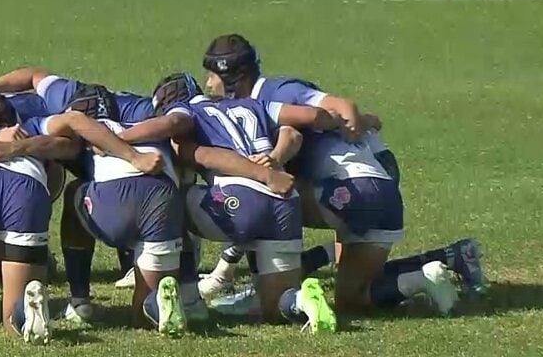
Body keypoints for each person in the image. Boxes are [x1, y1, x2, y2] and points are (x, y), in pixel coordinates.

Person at [198, 34, 469, 314]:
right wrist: (359, 122)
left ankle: (263, 292)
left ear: (231, 75)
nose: (207, 83)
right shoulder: (257, 103)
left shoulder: (274, 92)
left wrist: (275, 159)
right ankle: (421, 278)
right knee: (352, 299)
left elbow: (324, 116)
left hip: (350, 190)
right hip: (383, 194)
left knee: (264, 203)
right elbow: (359, 121)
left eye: (211, 75)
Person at [123, 73, 339, 333]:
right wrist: (276, 157)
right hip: (285, 201)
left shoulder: (186, 110)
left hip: (242, 197)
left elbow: (176, 126)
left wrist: (119, 139)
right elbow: (300, 127)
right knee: (275, 307)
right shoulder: (252, 103)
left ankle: (190, 300)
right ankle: (301, 300)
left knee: (169, 202)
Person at [0, 67, 154, 287]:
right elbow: (34, 79)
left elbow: (177, 120)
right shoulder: (59, 103)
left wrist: (121, 140)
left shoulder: (136, 109)